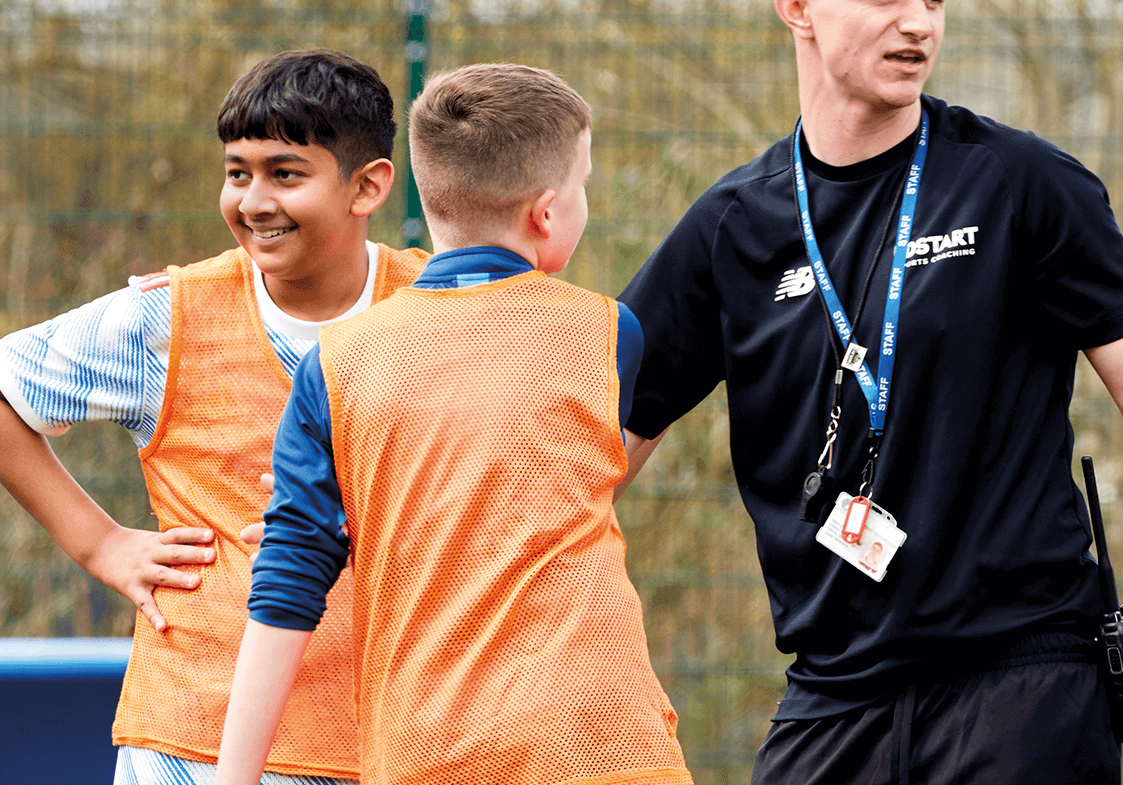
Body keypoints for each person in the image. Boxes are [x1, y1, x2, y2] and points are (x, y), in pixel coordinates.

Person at [616, 0, 1123, 784]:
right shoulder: (731, 227)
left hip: (1025, 676)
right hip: (832, 692)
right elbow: (606, 441)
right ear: (795, 9)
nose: (917, 21)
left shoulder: (1023, 183)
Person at [213, 63, 692, 785]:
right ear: (547, 213)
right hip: (601, 745)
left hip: (426, 749)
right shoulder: (608, 334)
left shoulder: (338, 365)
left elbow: (285, 589)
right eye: (582, 184)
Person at [0, 48, 429, 784]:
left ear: (368, 186)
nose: (253, 201)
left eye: (284, 173)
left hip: (397, 738)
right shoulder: (167, 317)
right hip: (193, 740)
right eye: (238, 172)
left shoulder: (435, 311)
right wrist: (100, 545)